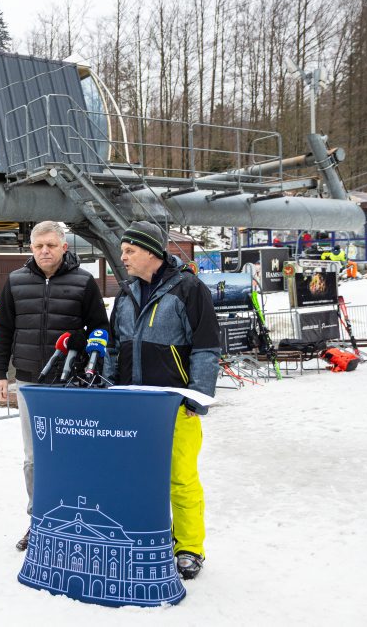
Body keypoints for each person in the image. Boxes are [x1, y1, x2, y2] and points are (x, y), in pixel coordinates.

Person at [106, 221, 221, 581]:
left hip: (174, 404)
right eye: (122, 250)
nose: (122, 257)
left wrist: (197, 398)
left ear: (151, 252)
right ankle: (144, 537)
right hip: (132, 406)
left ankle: (188, 546)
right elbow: (113, 347)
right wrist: (109, 390)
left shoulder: (188, 289)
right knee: (134, 477)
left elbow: (206, 347)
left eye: (129, 250)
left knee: (180, 478)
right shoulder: (125, 294)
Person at [0, 221, 109, 551]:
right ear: (30, 248)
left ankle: (79, 518)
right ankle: (39, 519)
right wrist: (0, 374)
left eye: (51, 245)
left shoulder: (84, 282)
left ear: (64, 247)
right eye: (38, 245)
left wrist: (84, 342)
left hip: (70, 383)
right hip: (30, 382)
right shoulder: (14, 282)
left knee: (72, 452)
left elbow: (100, 326)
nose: (44, 251)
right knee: (34, 456)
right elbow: (3, 330)